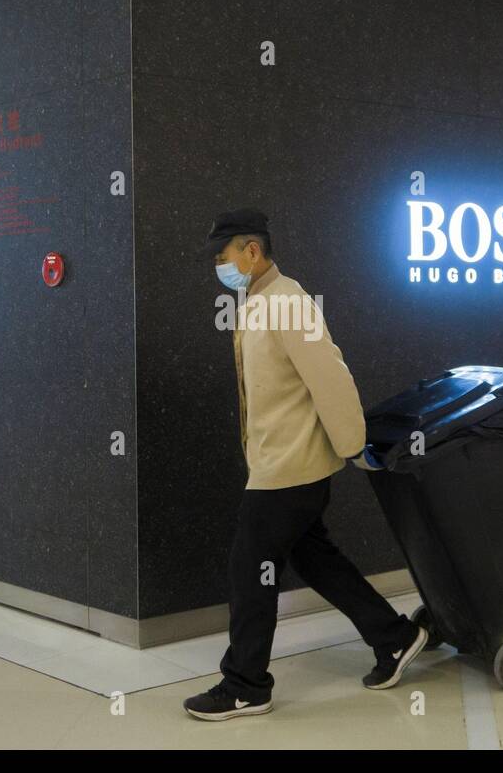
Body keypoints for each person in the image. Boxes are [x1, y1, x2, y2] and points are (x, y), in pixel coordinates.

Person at [182, 208, 427, 721]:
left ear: (252, 251)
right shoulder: (259, 301)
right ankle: (397, 637)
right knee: (315, 558)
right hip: (279, 463)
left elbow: (330, 377)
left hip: (289, 468)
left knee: (249, 570)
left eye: (223, 256)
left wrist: (353, 443)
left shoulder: (287, 301)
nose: (218, 267)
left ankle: (246, 684)